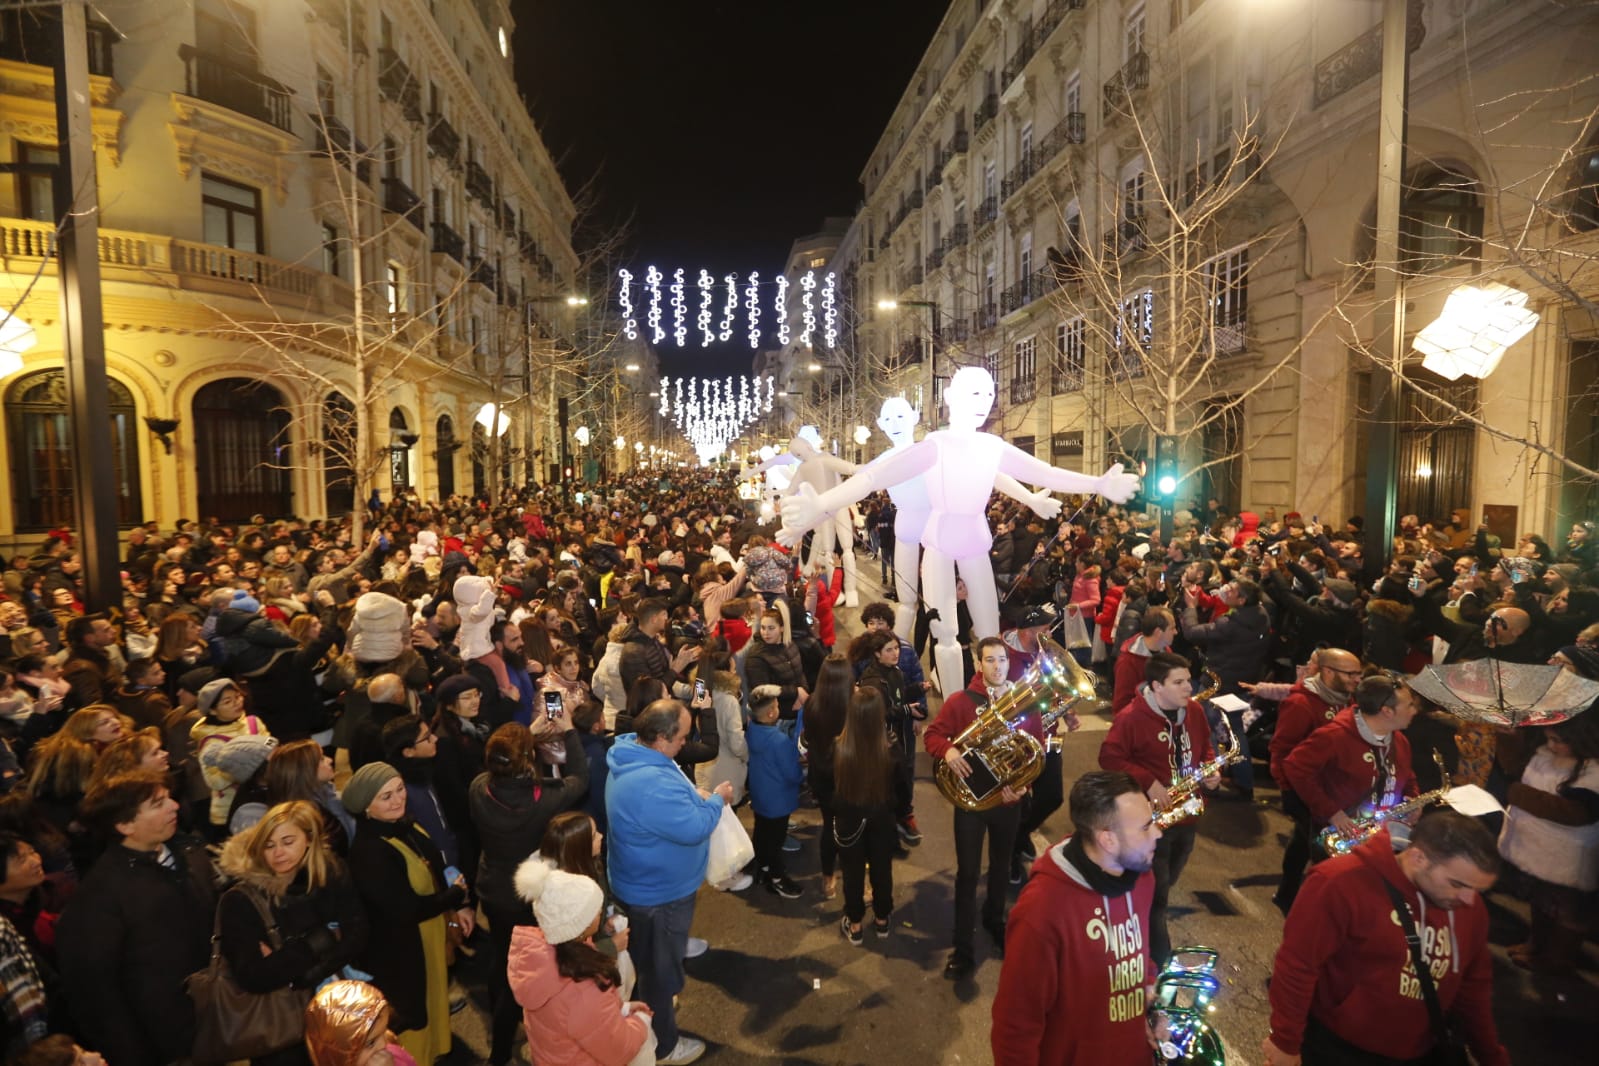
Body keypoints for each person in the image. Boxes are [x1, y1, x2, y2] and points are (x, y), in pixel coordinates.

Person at [1263, 811, 1509, 1066]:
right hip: (1337, 1048)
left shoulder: (1469, 907)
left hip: (1419, 1051)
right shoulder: (1339, 882)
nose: (1469, 900)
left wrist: (1491, 1056)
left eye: (1478, 890)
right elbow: (1298, 967)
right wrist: (1286, 1042)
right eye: (1458, 884)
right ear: (1418, 857)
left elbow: (1473, 988)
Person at [990, 770, 1162, 1065]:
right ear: (1107, 839)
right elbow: (1016, 1026)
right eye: (1146, 827)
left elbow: (1138, 950)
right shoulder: (1041, 912)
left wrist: (1148, 995)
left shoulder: (1142, 877)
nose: (1158, 833)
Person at [54, 771, 216, 1066]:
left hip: (218, 1022)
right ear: (125, 825)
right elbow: (96, 992)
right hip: (166, 1044)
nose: (175, 806)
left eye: (168, 797)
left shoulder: (190, 855)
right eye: (158, 804)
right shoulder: (101, 895)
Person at [605, 699, 733, 1065]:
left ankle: (654, 1004)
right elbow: (695, 828)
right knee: (660, 970)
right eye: (681, 737)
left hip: (641, 880)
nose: (685, 743)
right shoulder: (651, 782)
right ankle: (664, 1044)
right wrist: (716, 802)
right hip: (659, 893)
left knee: (648, 959)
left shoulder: (632, 752)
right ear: (660, 738)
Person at [468, 720, 590, 1066]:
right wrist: (568, 731)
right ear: (530, 758)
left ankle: (501, 1040)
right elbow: (580, 779)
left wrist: (527, 736)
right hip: (530, 893)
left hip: (493, 890)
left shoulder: (478, 789)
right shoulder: (544, 799)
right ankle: (514, 1043)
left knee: (502, 960)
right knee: (532, 968)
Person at [217, 801, 368, 1066]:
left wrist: (301, 968)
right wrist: (318, 942)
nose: (278, 853)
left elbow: (357, 933)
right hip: (282, 1028)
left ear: (309, 840)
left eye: (288, 841)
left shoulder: (330, 871)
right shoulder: (243, 899)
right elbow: (253, 975)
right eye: (269, 844)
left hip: (338, 1006)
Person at [343, 762, 471, 1065]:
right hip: (404, 953)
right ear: (366, 808)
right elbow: (406, 909)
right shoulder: (369, 852)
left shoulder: (405, 825)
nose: (398, 799)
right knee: (414, 1015)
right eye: (386, 796)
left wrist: (458, 905)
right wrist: (455, 895)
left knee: (434, 998)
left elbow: (436, 867)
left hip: (428, 937)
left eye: (399, 789)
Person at [1097, 650, 1217, 967]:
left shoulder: (1193, 711)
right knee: (1159, 896)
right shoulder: (1131, 717)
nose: (1188, 688)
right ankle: (1158, 963)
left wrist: (1210, 771)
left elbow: (1205, 747)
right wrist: (1147, 781)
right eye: (1179, 682)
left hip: (1187, 815)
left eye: (1188, 680)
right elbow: (1109, 757)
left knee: (1169, 878)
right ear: (1156, 686)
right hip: (1152, 824)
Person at [923, 637, 1030, 980]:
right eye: (990, 660)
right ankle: (963, 948)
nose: (998, 667)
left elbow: (1035, 748)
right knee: (968, 874)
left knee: (1001, 866)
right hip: (969, 802)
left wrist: (1025, 784)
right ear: (978, 665)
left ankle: (995, 920)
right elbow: (932, 736)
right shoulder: (960, 701)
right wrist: (948, 751)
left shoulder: (1023, 701)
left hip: (1006, 801)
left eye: (1002, 660)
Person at [507, 857, 654, 1066]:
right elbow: (619, 1050)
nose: (600, 912)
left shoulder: (540, 960)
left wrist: (620, 1009)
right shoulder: (583, 987)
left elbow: (578, 1021)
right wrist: (640, 1021)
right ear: (579, 926)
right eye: (594, 910)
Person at [1496, 711, 1599, 974]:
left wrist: (1519, 794)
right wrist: (1509, 740)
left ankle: (1557, 960)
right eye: (1549, 738)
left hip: (1568, 857)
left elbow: (1577, 813)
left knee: (1567, 914)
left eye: (1558, 741)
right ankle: (1536, 945)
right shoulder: (1545, 754)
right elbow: (1513, 768)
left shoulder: (1593, 771)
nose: (1552, 746)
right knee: (1540, 903)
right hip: (1539, 851)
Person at [1282, 675, 1418, 859]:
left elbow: (1407, 774)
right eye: (1410, 705)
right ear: (1387, 711)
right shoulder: (1335, 736)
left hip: (1376, 834)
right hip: (1339, 835)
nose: (1415, 710)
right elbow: (1295, 767)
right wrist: (1331, 812)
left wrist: (1413, 797)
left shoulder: (1400, 741)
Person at [1269, 648, 1362, 913]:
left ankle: (1286, 894)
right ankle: (1306, 906)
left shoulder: (1348, 699)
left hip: (1332, 791)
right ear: (1328, 672)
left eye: (1359, 673)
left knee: (1302, 840)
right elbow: (1281, 749)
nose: (1357, 679)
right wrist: (1288, 790)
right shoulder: (1301, 704)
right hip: (1305, 791)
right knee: (1318, 847)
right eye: (1351, 674)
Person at [831, 687, 908, 945]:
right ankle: (882, 920)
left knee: (852, 873)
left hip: (848, 822)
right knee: (882, 870)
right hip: (883, 820)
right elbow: (903, 788)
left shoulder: (839, 748)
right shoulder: (891, 748)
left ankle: (854, 925)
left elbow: (823, 785)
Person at [800, 656, 853, 899]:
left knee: (829, 826)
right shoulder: (854, 705)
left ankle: (827, 877)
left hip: (821, 775)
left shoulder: (812, 704)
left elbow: (807, 739)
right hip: (849, 776)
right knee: (853, 827)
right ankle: (854, 877)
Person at [744, 687, 803, 898]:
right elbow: (792, 773)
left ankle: (762, 867)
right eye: (777, 706)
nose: (778, 708)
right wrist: (801, 775)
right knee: (776, 841)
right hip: (778, 800)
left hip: (760, 795)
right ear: (771, 713)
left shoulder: (752, 731)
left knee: (762, 833)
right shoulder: (779, 741)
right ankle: (778, 878)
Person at [304, 979, 418, 1066]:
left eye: (384, 1031)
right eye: (370, 1043)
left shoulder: (392, 1053)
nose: (384, 1043)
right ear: (341, 1055)